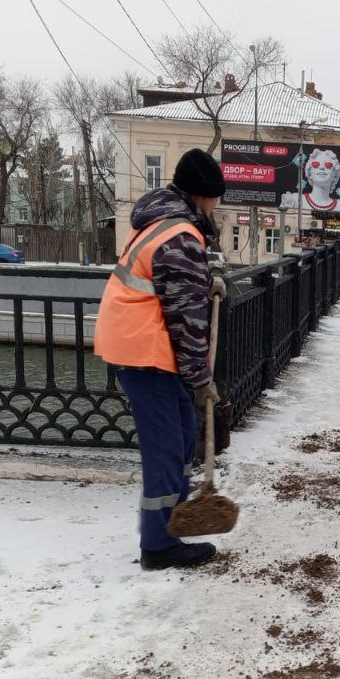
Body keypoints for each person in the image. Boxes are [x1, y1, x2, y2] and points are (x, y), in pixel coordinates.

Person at [94, 148, 226, 570]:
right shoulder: (180, 235)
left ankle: (173, 523)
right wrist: (201, 378)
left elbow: (169, 286)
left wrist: (206, 280)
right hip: (144, 351)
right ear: (202, 196)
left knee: (183, 433)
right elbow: (186, 320)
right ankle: (159, 545)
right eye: (215, 199)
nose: (216, 207)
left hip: (142, 345)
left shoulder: (163, 223)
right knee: (167, 448)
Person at [279, 147, 340, 211]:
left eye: (328, 165)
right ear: (309, 174)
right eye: (315, 164)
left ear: (335, 176)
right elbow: (281, 220)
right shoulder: (294, 200)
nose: (321, 168)